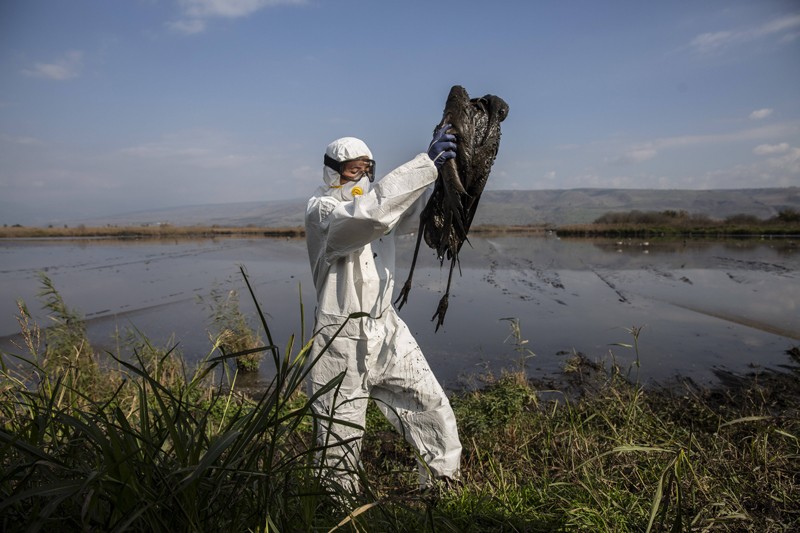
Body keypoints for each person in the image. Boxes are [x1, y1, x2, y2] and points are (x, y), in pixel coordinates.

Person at [304, 126, 462, 493]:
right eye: (353, 170)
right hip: (340, 341)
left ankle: (443, 490)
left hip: (386, 328)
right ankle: (336, 513)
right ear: (332, 171)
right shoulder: (324, 211)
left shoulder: (375, 206)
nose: (362, 177)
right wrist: (424, 164)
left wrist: (439, 178)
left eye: (368, 169)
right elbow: (370, 217)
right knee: (337, 437)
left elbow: (400, 212)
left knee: (431, 406)